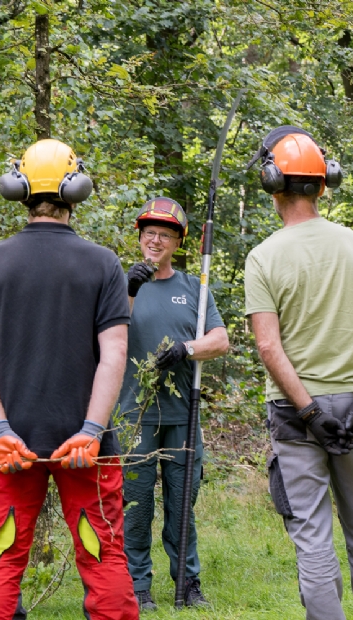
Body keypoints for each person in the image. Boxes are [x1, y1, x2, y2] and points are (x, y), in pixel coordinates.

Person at [0, 138, 138, 620]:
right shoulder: (103, 264)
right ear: (75, 189)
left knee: (1, 560)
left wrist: (0, 432)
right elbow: (114, 352)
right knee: (102, 556)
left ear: (18, 187)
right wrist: (91, 432)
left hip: (9, 448)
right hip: (86, 449)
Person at [245, 126, 353, 620]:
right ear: (323, 182)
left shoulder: (263, 257)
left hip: (297, 417)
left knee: (312, 537)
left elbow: (268, 346)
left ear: (273, 183)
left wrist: (310, 411)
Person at [116, 197, 229, 610]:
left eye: (165, 235)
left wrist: (186, 348)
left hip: (183, 414)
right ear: (140, 238)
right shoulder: (121, 284)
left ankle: (187, 584)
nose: (155, 241)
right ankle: (136, 587)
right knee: (136, 504)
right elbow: (107, 334)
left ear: (178, 242)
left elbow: (220, 340)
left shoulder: (193, 289)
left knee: (182, 504)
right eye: (149, 234)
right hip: (135, 414)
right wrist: (130, 289)